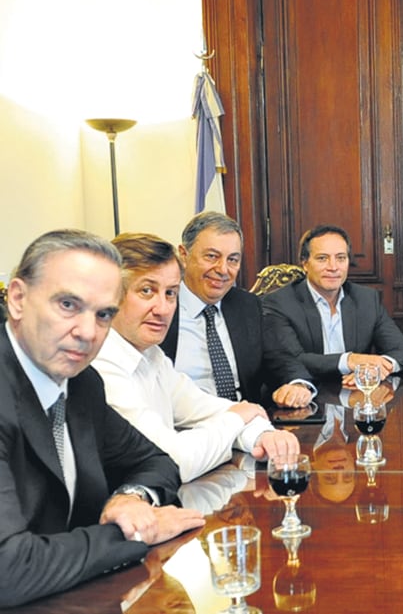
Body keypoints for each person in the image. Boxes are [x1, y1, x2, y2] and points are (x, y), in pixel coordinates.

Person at [0, 229, 204, 607]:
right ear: (17, 299)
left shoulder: (81, 382)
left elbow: (155, 460)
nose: (87, 333)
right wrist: (136, 534)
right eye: (68, 305)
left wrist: (130, 498)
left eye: (103, 314)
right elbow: (8, 570)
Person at [93, 233, 299, 483]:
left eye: (170, 293)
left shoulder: (150, 353)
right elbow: (172, 460)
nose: (163, 309)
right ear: (109, 297)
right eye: (147, 291)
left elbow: (205, 408)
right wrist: (238, 419)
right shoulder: (98, 364)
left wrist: (262, 436)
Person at [160, 211, 313, 408]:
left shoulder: (246, 305)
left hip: (244, 424)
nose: (223, 269)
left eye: (232, 259)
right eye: (212, 256)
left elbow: (279, 358)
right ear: (184, 255)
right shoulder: (162, 307)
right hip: (183, 427)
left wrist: (297, 384)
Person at [262, 225, 403, 390]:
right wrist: (349, 360)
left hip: (353, 397)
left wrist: (381, 367)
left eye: (341, 258)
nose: (333, 267)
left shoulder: (366, 299)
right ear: (305, 264)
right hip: (306, 397)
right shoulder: (280, 303)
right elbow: (290, 360)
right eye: (322, 258)